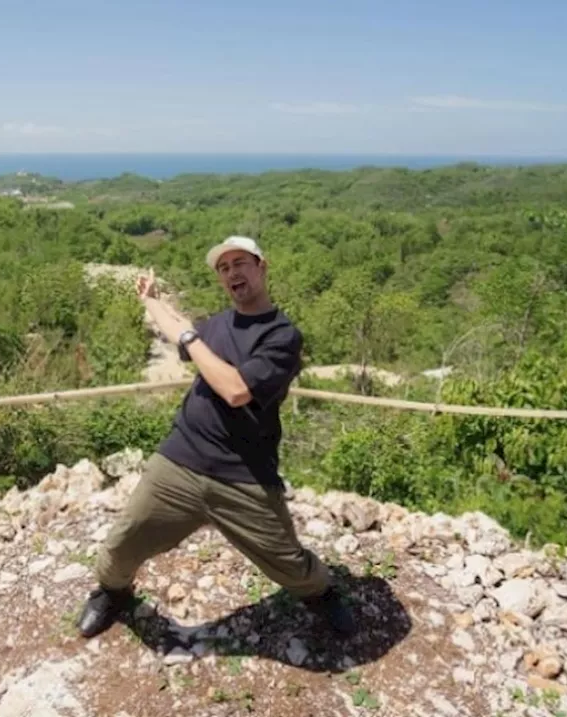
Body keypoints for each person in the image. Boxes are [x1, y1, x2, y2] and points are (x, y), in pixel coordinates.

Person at [74, 235, 358, 640]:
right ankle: (112, 592)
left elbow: (236, 389)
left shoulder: (282, 336)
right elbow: (177, 328)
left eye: (240, 263)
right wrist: (151, 299)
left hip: (243, 473)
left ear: (262, 266)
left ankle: (321, 593)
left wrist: (190, 338)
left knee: (289, 562)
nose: (231, 273)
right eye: (223, 269)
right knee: (122, 542)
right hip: (180, 459)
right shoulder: (214, 325)